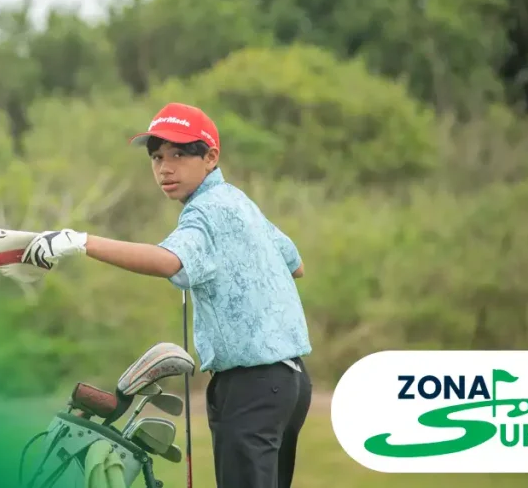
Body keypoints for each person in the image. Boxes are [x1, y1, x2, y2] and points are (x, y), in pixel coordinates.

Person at [22, 102, 312, 488]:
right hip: (290, 383)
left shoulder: (204, 211)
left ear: (210, 158)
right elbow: (295, 265)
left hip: (252, 387)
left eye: (178, 154)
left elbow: (168, 261)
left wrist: (80, 241)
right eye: (157, 157)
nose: (165, 168)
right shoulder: (238, 201)